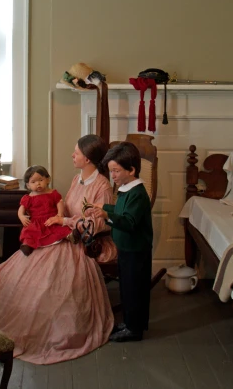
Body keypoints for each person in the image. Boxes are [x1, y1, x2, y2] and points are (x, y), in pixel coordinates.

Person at [0, 135, 114, 364]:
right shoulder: (78, 180)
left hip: (79, 240)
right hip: (60, 232)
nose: (72, 155)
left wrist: (63, 222)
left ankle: (48, 323)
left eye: (75, 152)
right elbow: (64, 207)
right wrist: (48, 217)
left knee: (50, 275)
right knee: (25, 265)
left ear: (87, 159)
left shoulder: (102, 186)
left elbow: (99, 224)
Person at [87, 142, 153, 343]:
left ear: (131, 170)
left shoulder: (138, 194)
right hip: (125, 248)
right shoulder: (125, 189)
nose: (112, 176)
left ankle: (135, 328)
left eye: (116, 171)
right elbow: (121, 210)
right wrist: (104, 206)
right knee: (126, 287)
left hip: (136, 249)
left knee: (135, 290)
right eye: (111, 171)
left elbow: (129, 221)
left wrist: (106, 213)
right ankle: (129, 322)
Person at [17, 166, 69, 256]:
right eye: (33, 182)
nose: (38, 184)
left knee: (59, 229)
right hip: (35, 222)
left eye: (41, 180)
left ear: (48, 180)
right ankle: (27, 245)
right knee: (29, 232)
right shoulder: (28, 198)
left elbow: (59, 202)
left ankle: (70, 236)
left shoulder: (52, 193)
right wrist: (21, 216)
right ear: (28, 185)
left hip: (51, 219)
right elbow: (21, 209)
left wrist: (60, 214)